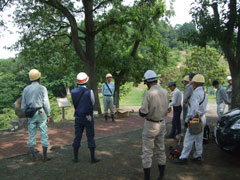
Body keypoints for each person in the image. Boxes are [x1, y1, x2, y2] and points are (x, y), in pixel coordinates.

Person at [139, 70, 169, 180]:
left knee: (147, 152)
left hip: (151, 125)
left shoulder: (149, 93)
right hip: (162, 123)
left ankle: (147, 178)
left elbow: (144, 112)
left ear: (148, 82)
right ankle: (161, 176)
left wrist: (140, 111)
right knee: (161, 149)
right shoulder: (165, 92)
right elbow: (167, 109)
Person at [174, 74, 208, 164]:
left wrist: (187, 120)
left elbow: (193, 110)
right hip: (202, 118)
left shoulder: (195, 94)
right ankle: (198, 156)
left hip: (195, 118)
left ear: (196, 84)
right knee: (199, 138)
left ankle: (183, 158)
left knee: (189, 138)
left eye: (193, 83)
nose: (192, 85)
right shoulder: (204, 93)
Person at [21, 69, 51, 162]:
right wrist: (48, 114)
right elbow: (46, 103)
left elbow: (23, 106)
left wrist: (26, 114)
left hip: (31, 113)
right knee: (44, 133)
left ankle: (34, 156)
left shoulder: (26, 89)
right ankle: (45, 156)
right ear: (39, 78)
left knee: (32, 134)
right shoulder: (42, 88)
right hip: (41, 112)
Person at [71, 72, 100, 163]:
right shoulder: (89, 91)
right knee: (90, 136)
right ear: (86, 81)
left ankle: (75, 158)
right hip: (88, 117)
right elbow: (93, 103)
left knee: (77, 137)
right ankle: (92, 158)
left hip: (78, 117)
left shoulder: (73, 92)